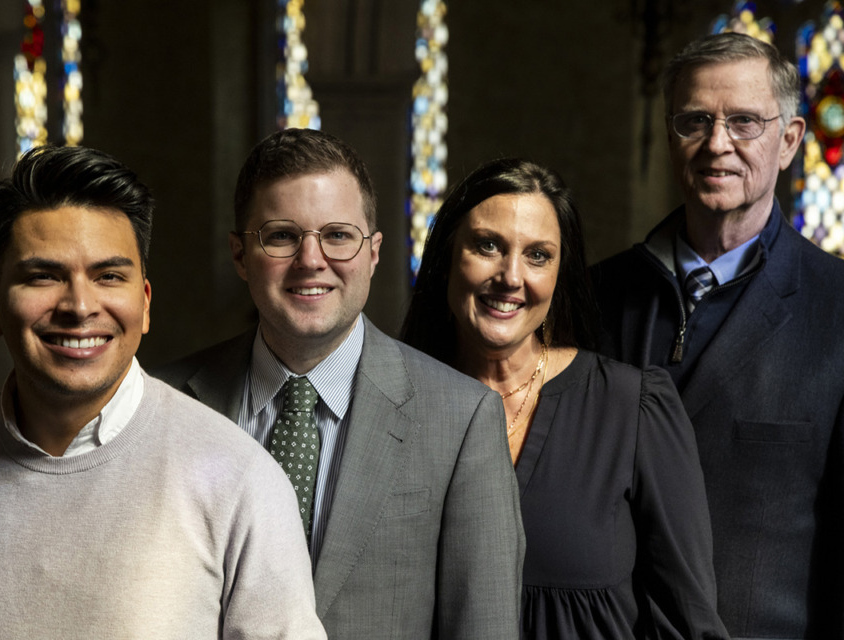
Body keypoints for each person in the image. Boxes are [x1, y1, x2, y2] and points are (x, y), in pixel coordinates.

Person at [0, 145, 325, 639]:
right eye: (43, 276)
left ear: (144, 302)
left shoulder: (241, 480)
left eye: (108, 276)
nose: (79, 305)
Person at [153, 128, 525, 638]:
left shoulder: (462, 420)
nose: (311, 260)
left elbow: (484, 627)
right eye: (282, 235)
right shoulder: (164, 402)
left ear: (373, 253)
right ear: (241, 255)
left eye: (337, 235)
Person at [402, 158, 728, 639]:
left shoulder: (629, 409)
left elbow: (689, 623)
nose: (511, 277)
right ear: (447, 255)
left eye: (538, 256)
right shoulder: (396, 407)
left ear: (559, 274)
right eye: (488, 246)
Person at [592, 32, 844, 639]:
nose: (716, 144)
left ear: (788, 142)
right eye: (694, 120)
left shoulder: (837, 309)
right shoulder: (592, 297)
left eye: (743, 122)